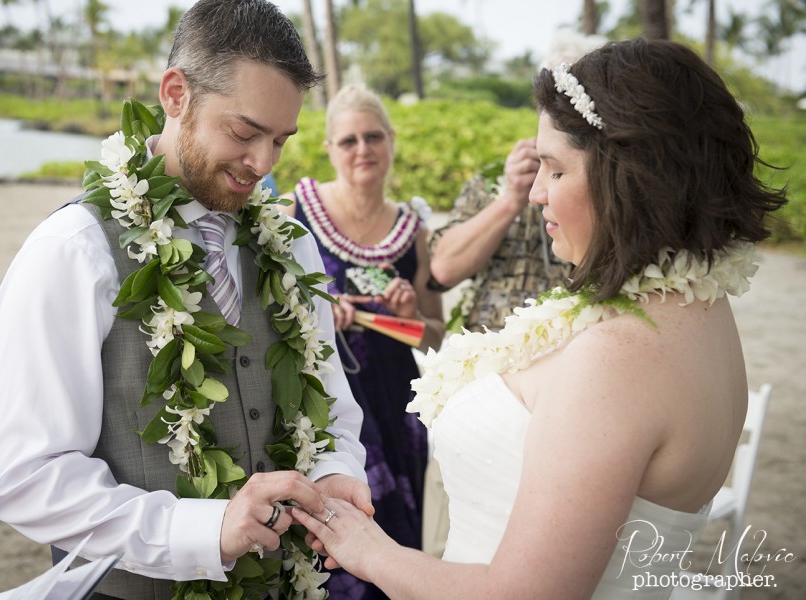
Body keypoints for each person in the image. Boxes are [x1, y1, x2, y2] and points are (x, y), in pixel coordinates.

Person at [292, 38, 788, 599]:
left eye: (554, 170)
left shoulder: (621, 354)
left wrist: (369, 549)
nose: (534, 194)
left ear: (626, 176)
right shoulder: (704, 307)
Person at [0, 2, 370, 599]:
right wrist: (201, 530)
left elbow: (336, 415)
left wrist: (336, 473)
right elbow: (30, 479)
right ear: (175, 94)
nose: (263, 165)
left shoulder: (293, 247)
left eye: (280, 141)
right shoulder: (72, 251)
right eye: (244, 133)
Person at [278, 83, 445, 598]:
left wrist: (408, 313)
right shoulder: (293, 212)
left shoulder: (412, 228)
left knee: (398, 529)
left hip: (396, 401)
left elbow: (435, 335)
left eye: (373, 136)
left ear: (391, 141)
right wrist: (316, 308)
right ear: (329, 149)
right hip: (326, 399)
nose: (363, 149)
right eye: (348, 140)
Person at [427, 139, 572, 333]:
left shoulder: (594, 179)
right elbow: (443, 271)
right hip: (488, 348)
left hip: (569, 343)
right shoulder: (493, 180)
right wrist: (511, 200)